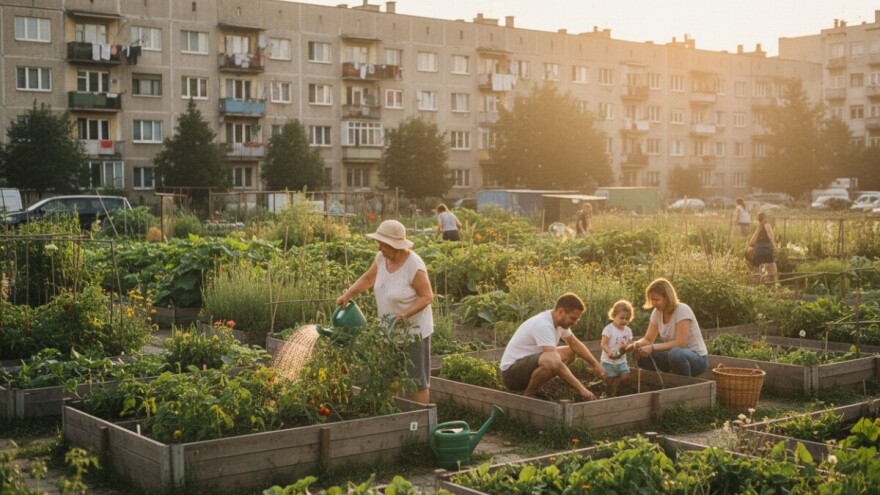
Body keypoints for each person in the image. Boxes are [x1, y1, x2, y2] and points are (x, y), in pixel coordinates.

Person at [336, 220, 434, 404]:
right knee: (390, 377)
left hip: (414, 333)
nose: (379, 247)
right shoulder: (381, 258)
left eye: (383, 244)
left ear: (396, 246)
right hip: (388, 330)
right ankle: (392, 414)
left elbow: (427, 297)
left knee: (417, 381)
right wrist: (348, 293)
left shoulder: (414, 265)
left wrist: (403, 315)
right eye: (379, 243)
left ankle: (421, 418)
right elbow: (368, 278)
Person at [500, 293, 606, 400]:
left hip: (526, 366)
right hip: (511, 374)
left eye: (576, 320)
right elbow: (554, 361)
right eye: (573, 318)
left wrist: (596, 365)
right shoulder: (544, 324)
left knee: (569, 352)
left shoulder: (559, 322)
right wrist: (581, 389)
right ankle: (528, 395)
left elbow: (575, 344)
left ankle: (535, 387)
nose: (575, 323)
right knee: (552, 359)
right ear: (561, 312)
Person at [632, 278, 709, 377]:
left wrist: (652, 347)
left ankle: (685, 384)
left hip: (697, 359)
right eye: (652, 299)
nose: (653, 303)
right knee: (639, 352)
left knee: (676, 354)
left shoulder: (682, 310)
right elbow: (648, 339)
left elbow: (680, 343)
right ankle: (661, 381)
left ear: (667, 298)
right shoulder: (656, 313)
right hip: (672, 356)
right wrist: (636, 344)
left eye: (657, 299)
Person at [600, 300, 635, 396]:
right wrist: (609, 352)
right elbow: (603, 344)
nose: (624, 321)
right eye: (621, 318)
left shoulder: (628, 330)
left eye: (627, 319)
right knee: (608, 379)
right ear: (614, 315)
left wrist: (630, 346)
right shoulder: (609, 329)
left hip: (621, 360)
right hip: (608, 360)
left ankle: (616, 383)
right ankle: (608, 391)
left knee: (625, 375)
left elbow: (630, 342)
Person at [748, 212, 779, 284]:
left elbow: (751, 243)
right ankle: (775, 287)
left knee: (757, 273)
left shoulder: (759, 228)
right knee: (773, 271)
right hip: (766, 250)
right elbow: (770, 235)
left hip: (757, 251)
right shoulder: (767, 224)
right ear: (766, 217)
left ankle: (755, 287)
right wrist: (775, 247)